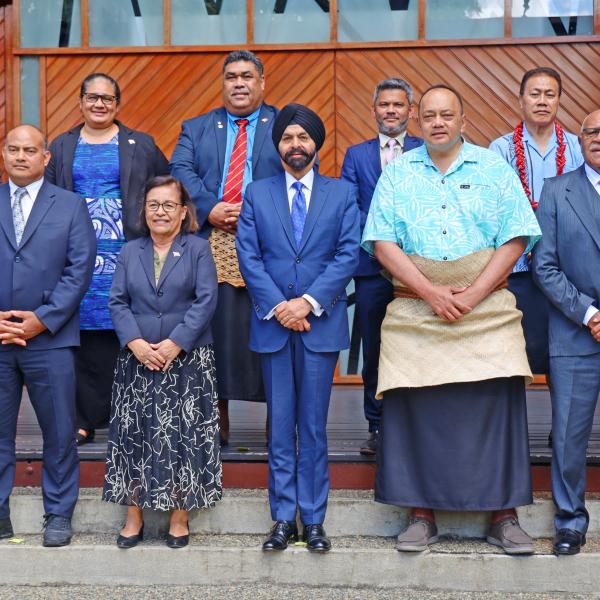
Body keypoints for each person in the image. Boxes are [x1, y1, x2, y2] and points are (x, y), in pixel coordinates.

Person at [362, 85, 542, 555]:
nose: (438, 122)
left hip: (488, 311)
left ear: (464, 120)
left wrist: (475, 293)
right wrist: (430, 293)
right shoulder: (398, 172)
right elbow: (382, 242)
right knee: (415, 410)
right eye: (429, 116)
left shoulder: (493, 168)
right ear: (418, 123)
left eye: (447, 115)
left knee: (496, 405)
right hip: (415, 310)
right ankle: (421, 514)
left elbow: (518, 235)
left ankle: (503, 516)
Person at [236, 104, 360, 552]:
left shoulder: (342, 194)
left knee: (313, 427)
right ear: (278, 146)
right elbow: (248, 256)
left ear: (316, 144)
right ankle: (282, 519)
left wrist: (306, 303)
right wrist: (280, 307)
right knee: (280, 423)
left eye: (303, 138)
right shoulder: (257, 193)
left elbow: (348, 255)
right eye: (287, 139)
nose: (295, 146)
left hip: (319, 326)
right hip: (273, 326)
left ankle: (314, 520)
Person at [46, 72, 170, 447]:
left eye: (108, 99)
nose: (99, 104)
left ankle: (126, 419)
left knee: (126, 334)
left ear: (118, 103)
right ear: (80, 100)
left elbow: (165, 186)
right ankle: (83, 420)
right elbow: (49, 197)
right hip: (77, 255)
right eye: (92, 97)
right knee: (80, 338)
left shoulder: (141, 144)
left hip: (126, 254)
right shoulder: (63, 145)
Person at [171, 50, 284, 445]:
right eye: (231, 77)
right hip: (209, 243)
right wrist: (210, 207)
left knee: (272, 328)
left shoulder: (283, 125)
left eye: (247, 76)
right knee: (212, 332)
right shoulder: (197, 127)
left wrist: (258, 211)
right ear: (223, 83)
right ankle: (215, 421)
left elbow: (301, 168)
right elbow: (180, 170)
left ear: (261, 83)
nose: (239, 83)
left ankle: (278, 422)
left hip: (272, 244)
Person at [104, 175, 220, 549]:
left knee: (185, 435)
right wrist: (136, 343)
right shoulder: (129, 251)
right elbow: (117, 302)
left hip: (187, 358)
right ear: (143, 211)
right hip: (137, 358)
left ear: (184, 211)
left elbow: (206, 300)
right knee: (134, 434)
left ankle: (180, 517)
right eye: (153, 204)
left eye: (169, 205)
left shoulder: (199, 249)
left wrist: (175, 343)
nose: (161, 212)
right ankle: (133, 516)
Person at [0, 125, 96, 546]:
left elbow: (81, 270)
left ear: (46, 158)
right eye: (13, 149)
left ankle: (58, 514)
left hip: (50, 340)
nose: (21, 156)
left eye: (29, 150)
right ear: (4, 154)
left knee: (59, 432)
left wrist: (43, 318)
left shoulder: (71, 205)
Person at [340, 78, 423, 454]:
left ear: (410, 111)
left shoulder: (427, 149)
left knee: (417, 343)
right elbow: (350, 205)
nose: (391, 111)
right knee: (374, 347)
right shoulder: (356, 155)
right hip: (372, 267)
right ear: (373, 110)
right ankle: (376, 425)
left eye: (398, 105)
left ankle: (416, 424)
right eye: (384, 105)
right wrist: (382, 241)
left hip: (420, 268)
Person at [489, 68, 583, 394]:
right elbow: (495, 209)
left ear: (559, 100)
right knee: (517, 351)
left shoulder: (576, 147)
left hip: (567, 271)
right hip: (517, 269)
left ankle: (562, 434)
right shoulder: (500, 150)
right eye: (534, 94)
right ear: (520, 100)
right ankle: (512, 441)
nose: (542, 101)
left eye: (550, 94)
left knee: (565, 353)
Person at [532, 110, 600, 555]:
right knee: (569, 435)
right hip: (575, 334)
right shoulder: (557, 190)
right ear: (580, 141)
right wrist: (590, 314)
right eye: (592, 131)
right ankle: (570, 521)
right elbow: (545, 265)